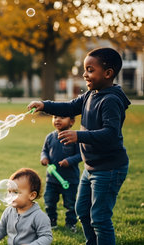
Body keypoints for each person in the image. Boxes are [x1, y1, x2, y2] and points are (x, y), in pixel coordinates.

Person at [28, 47, 130, 245]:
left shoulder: (110, 100)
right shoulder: (91, 95)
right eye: (85, 69)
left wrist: (79, 136)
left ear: (108, 73)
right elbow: (70, 106)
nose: (84, 74)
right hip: (91, 167)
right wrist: (44, 104)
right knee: (82, 211)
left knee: (99, 218)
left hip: (109, 169)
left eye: (90, 70)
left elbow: (110, 134)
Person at [0, 168, 53, 245]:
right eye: (9, 191)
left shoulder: (39, 216)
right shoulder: (8, 211)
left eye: (16, 192)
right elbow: (1, 229)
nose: (10, 196)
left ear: (32, 195)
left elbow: (46, 237)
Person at [41, 115, 81, 232]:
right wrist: (44, 158)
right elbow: (45, 151)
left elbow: (80, 155)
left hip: (69, 179)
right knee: (49, 201)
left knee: (70, 203)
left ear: (72, 121)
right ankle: (51, 221)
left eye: (62, 117)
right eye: (55, 117)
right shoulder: (50, 137)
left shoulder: (75, 138)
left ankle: (71, 223)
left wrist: (69, 161)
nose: (57, 119)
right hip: (52, 180)